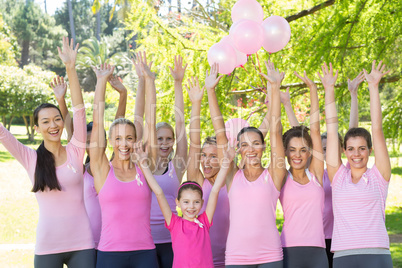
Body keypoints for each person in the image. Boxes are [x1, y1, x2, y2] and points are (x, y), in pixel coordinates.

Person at [0, 37, 95, 267]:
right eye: (45, 122)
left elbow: (79, 110)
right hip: (47, 246)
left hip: (82, 244)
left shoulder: (75, 150)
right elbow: (3, 134)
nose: (53, 125)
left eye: (56, 119)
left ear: (62, 123)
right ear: (37, 128)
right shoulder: (30, 158)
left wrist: (70, 68)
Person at [280, 71, 365, 268]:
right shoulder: (291, 174)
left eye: (330, 149)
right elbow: (301, 136)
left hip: (332, 240)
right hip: (294, 246)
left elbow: (318, 131)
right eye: (323, 149)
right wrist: (285, 104)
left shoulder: (335, 174)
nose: (325, 152)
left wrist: (315, 89)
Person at [322, 61, 393, 268]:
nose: (356, 154)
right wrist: (329, 90)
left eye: (362, 148)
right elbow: (331, 126)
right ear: (344, 151)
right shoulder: (338, 176)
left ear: (370, 150)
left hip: (377, 253)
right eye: (351, 149)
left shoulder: (379, 176)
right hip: (344, 255)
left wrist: (373, 87)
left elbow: (377, 129)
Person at [51, 69, 129, 250]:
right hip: (85, 242)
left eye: (96, 140)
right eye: (87, 141)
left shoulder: (112, 167)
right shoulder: (79, 167)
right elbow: (72, 131)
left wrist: (123, 94)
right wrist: (61, 100)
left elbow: (120, 126)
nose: (92, 144)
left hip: (113, 242)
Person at [219, 61, 287, 267]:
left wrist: (274, 89)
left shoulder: (274, 174)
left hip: (271, 255)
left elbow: (275, 130)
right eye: (245, 145)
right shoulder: (232, 176)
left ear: (264, 147)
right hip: (236, 256)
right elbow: (219, 129)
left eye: (256, 143)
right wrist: (211, 90)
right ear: (238, 149)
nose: (251, 149)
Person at [89, 63, 157, 267]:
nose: (124, 144)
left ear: (136, 140)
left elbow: (151, 123)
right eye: (118, 139)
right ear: (109, 141)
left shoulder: (144, 168)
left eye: (129, 138)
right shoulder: (102, 170)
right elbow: (98, 121)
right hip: (110, 253)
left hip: (144, 252)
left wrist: (150, 81)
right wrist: (101, 81)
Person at [134, 138, 234, 268]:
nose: (191, 207)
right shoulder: (174, 223)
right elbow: (158, 192)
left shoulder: (204, 222)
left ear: (202, 202)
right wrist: (143, 165)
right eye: (186, 202)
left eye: (196, 202)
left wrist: (226, 163)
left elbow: (214, 191)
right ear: (178, 202)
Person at [142, 54, 188, 268]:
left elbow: (180, 124)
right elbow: (148, 121)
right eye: (160, 138)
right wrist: (148, 81)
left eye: (169, 139)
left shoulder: (177, 165)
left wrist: (178, 83)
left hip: (172, 239)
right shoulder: (147, 163)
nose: (165, 143)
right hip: (144, 240)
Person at [279, 71, 328, 268]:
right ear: (285, 153)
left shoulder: (315, 173)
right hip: (289, 249)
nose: (297, 155)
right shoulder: (281, 176)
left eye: (302, 150)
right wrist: (277, 96)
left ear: (310, 153)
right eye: (292, 150)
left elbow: (313, 131)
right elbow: (279, 136)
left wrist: (313, 89)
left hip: (318, 251)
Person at [186, 72, 230, 268]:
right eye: (204, 156)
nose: (206, 161)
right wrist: (196, 103)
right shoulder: (198, 181)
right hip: (201, 257)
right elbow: (194, 144)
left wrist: (211, 92)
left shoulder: (231, 180)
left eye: (213, 156)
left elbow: (221, 136)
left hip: (233, 256)